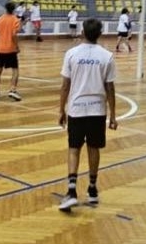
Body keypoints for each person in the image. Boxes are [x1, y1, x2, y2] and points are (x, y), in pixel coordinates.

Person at [57, 18, 117, 212]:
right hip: (97, 110)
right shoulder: (106, 56)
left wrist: (61, 109)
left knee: (74, 148)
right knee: (94, 148)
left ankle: (72, 190)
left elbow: (65, 85)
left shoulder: (71, 54)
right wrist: (113, 115)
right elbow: (110, 89)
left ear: (82, 32)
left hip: (76, 109)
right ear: (99, 34)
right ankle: (92, 189)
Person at [0, 2, 22, 101]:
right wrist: (17, 46)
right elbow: (14, 35)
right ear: (13, 9)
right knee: (15, 70)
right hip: (11, 48)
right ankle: (13, 90)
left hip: (0, 48)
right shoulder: (15, 20)